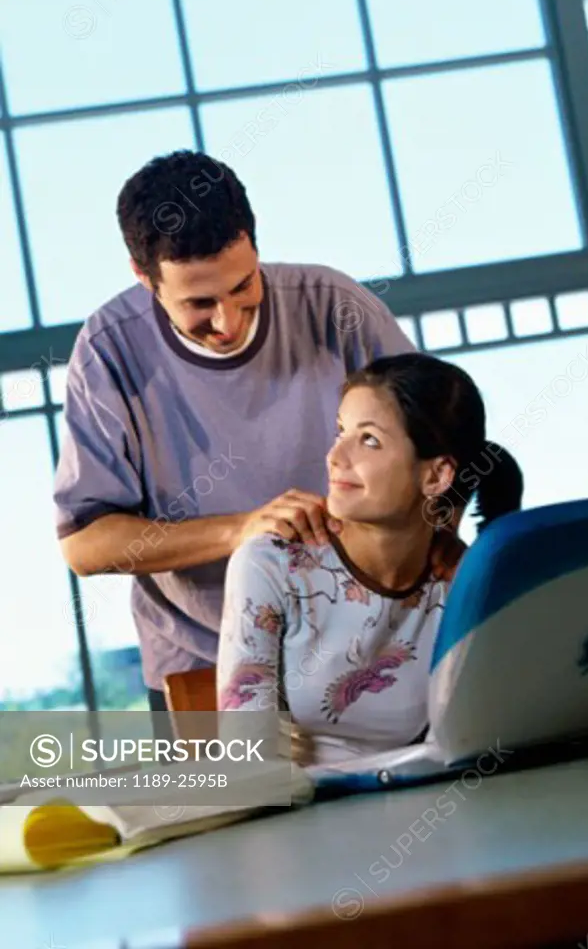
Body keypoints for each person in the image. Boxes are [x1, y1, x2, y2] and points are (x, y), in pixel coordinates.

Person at [53, 149, 425, 717]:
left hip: (368, 648)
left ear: (253, 242)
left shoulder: (337, 308)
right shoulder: (108, 351)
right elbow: (84, 545)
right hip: (201, 669)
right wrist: (243, 531)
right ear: (144, 278)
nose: (229, 321)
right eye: (199, 303)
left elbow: (438, 459)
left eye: (243, 285)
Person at [217, 352, 524, 765]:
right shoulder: (271, 564)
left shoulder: (460, 583)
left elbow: (483, 738)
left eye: (369, 440)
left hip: (430, 806)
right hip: (303, 815)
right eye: (340, 431)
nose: (335, 457)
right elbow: (246, 756)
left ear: (436, 475)